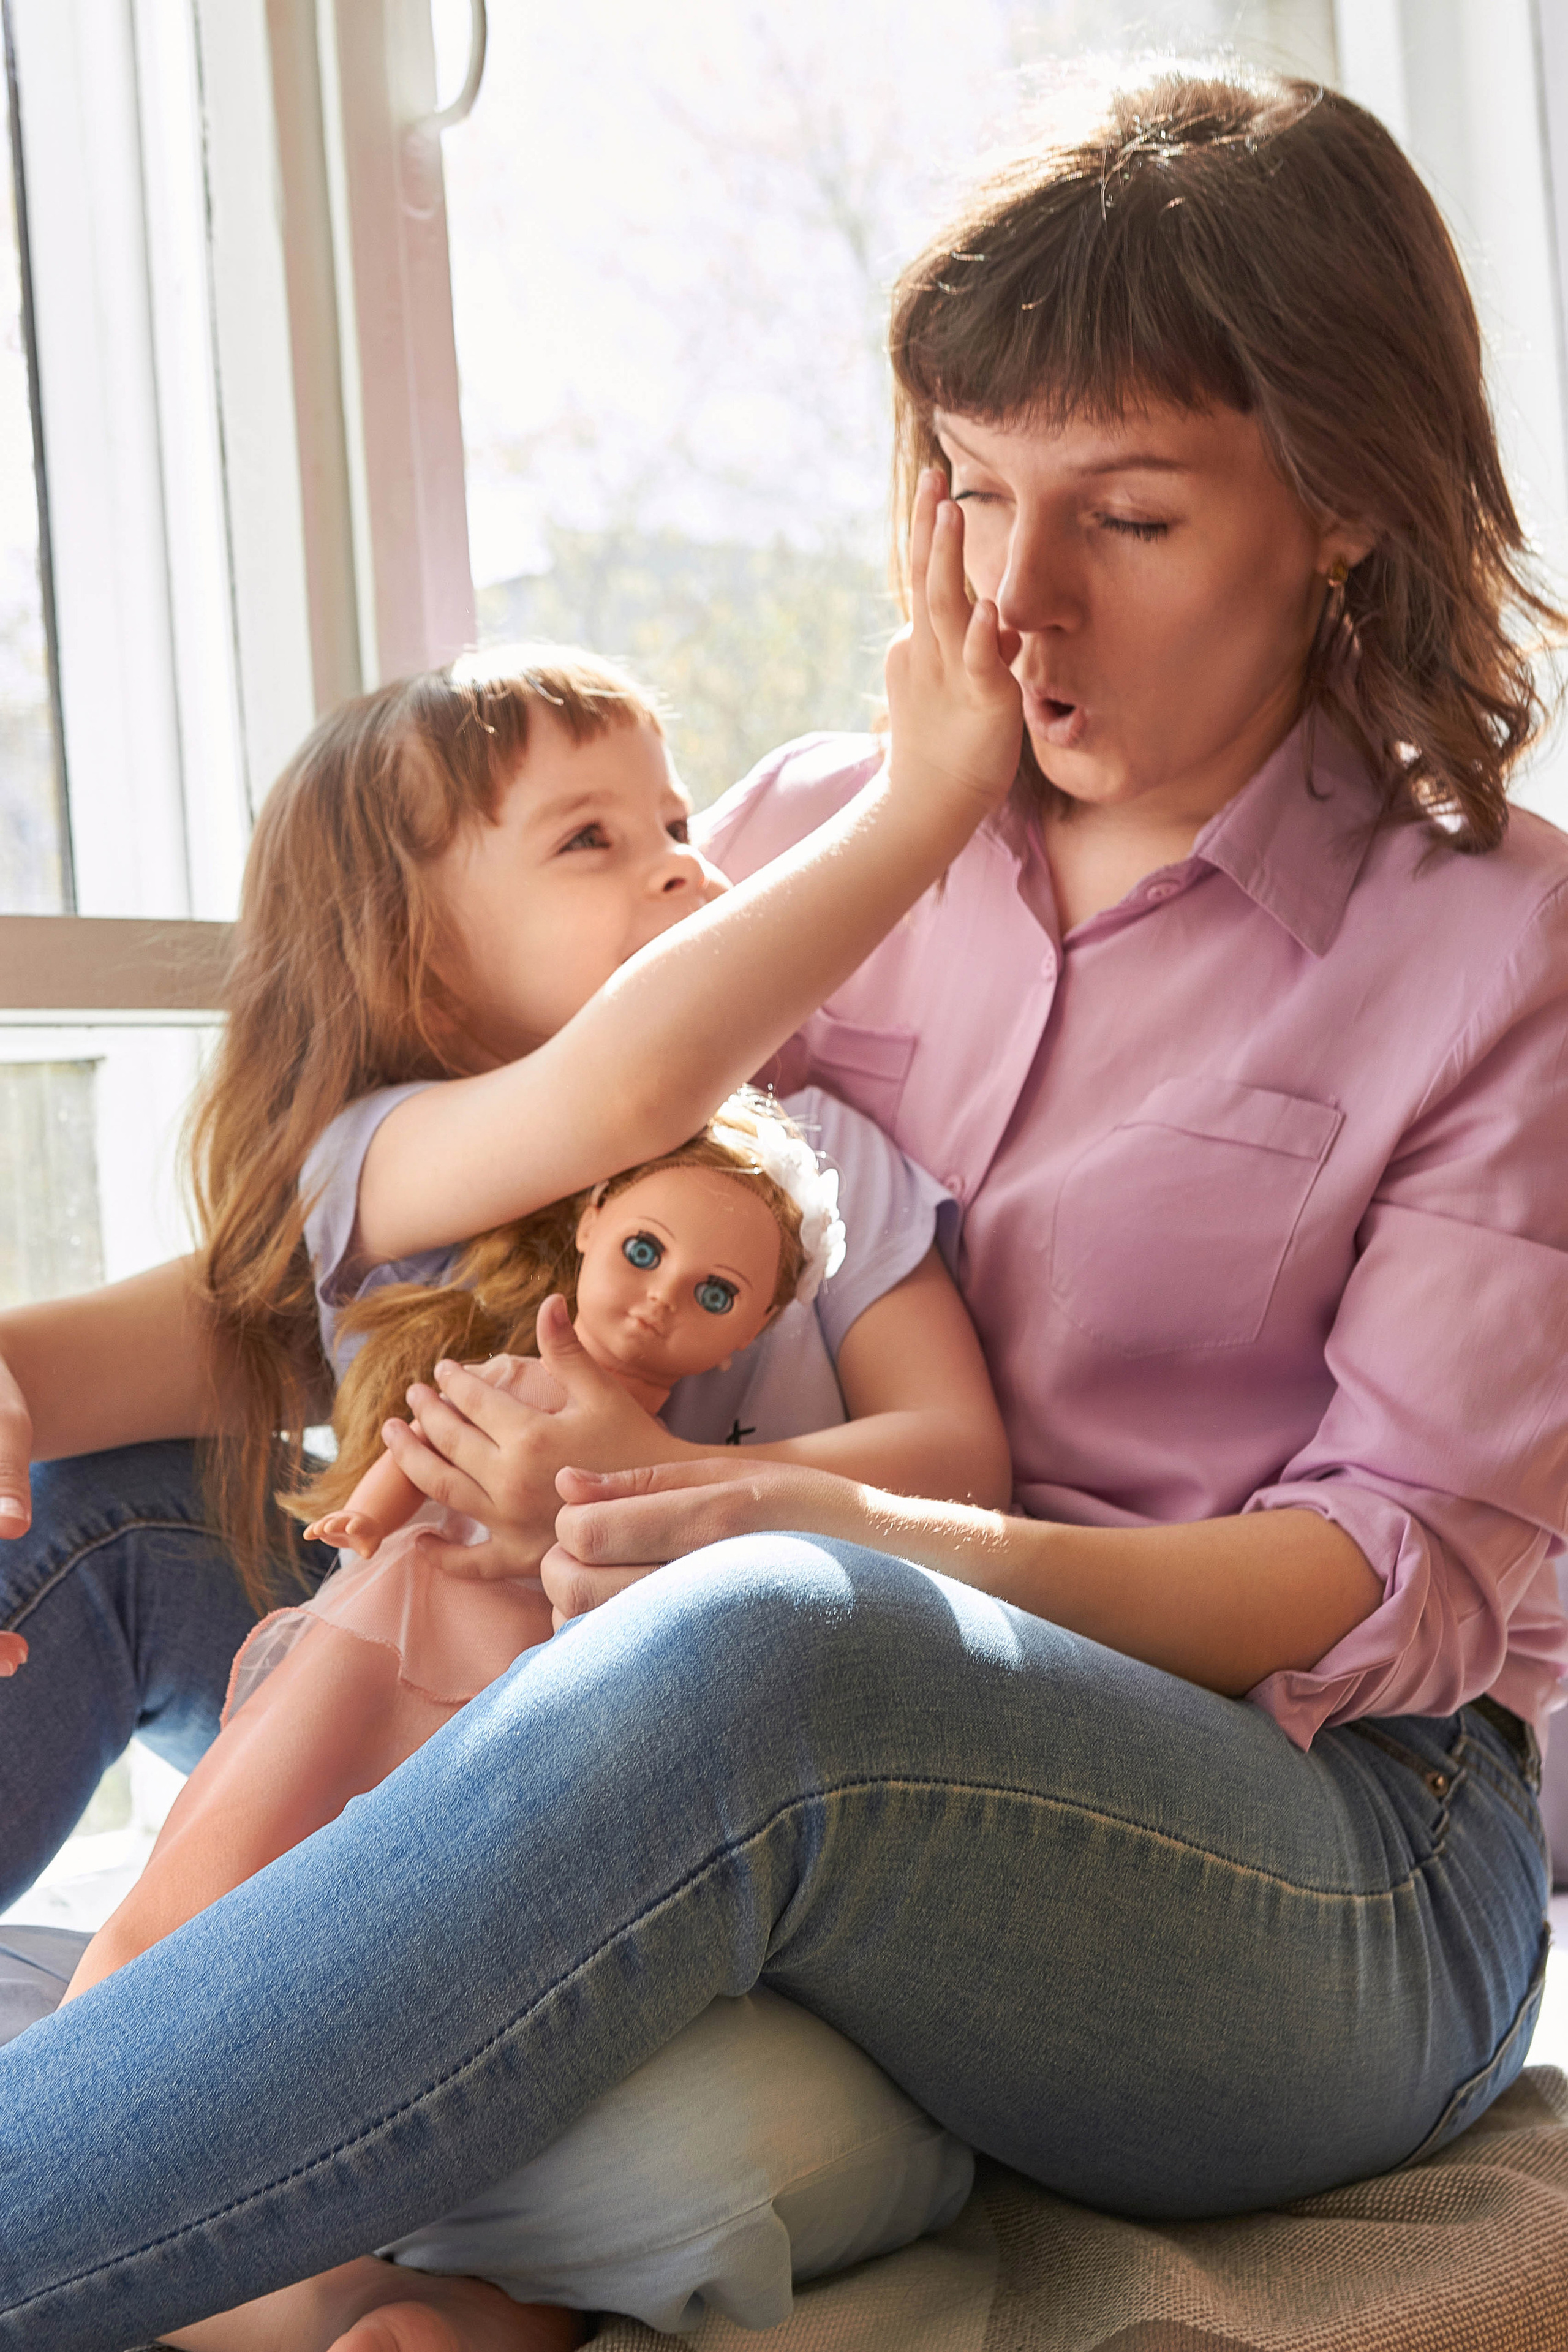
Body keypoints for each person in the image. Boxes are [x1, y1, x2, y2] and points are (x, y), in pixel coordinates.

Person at [3, 61, 1567, 2352]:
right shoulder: (828, 824)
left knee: (763, 1652)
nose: (1016, 601)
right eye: (967, 495)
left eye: (1122, 519)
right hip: (728, 1621)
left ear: (1341, 508)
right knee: (108, 1501)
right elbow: (451, 1265)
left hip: (1319, 1847)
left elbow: (1391, 1580)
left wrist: (816, 1536)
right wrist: (24, 1362)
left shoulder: (1504, 944)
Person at [62, 1090, 990, 2013]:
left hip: (522, 1661)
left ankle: (267, 2007)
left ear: (742, 1339)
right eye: (643, 1251)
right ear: (590, 1226)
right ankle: (123, 1991)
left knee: (401, 1871)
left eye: (714, 1295)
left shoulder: (691, 1467)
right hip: (407, 1612)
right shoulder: (514, 1377)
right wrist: (368, 1520)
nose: (659, 1302)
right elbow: (419, 1446)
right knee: (276, 1789)